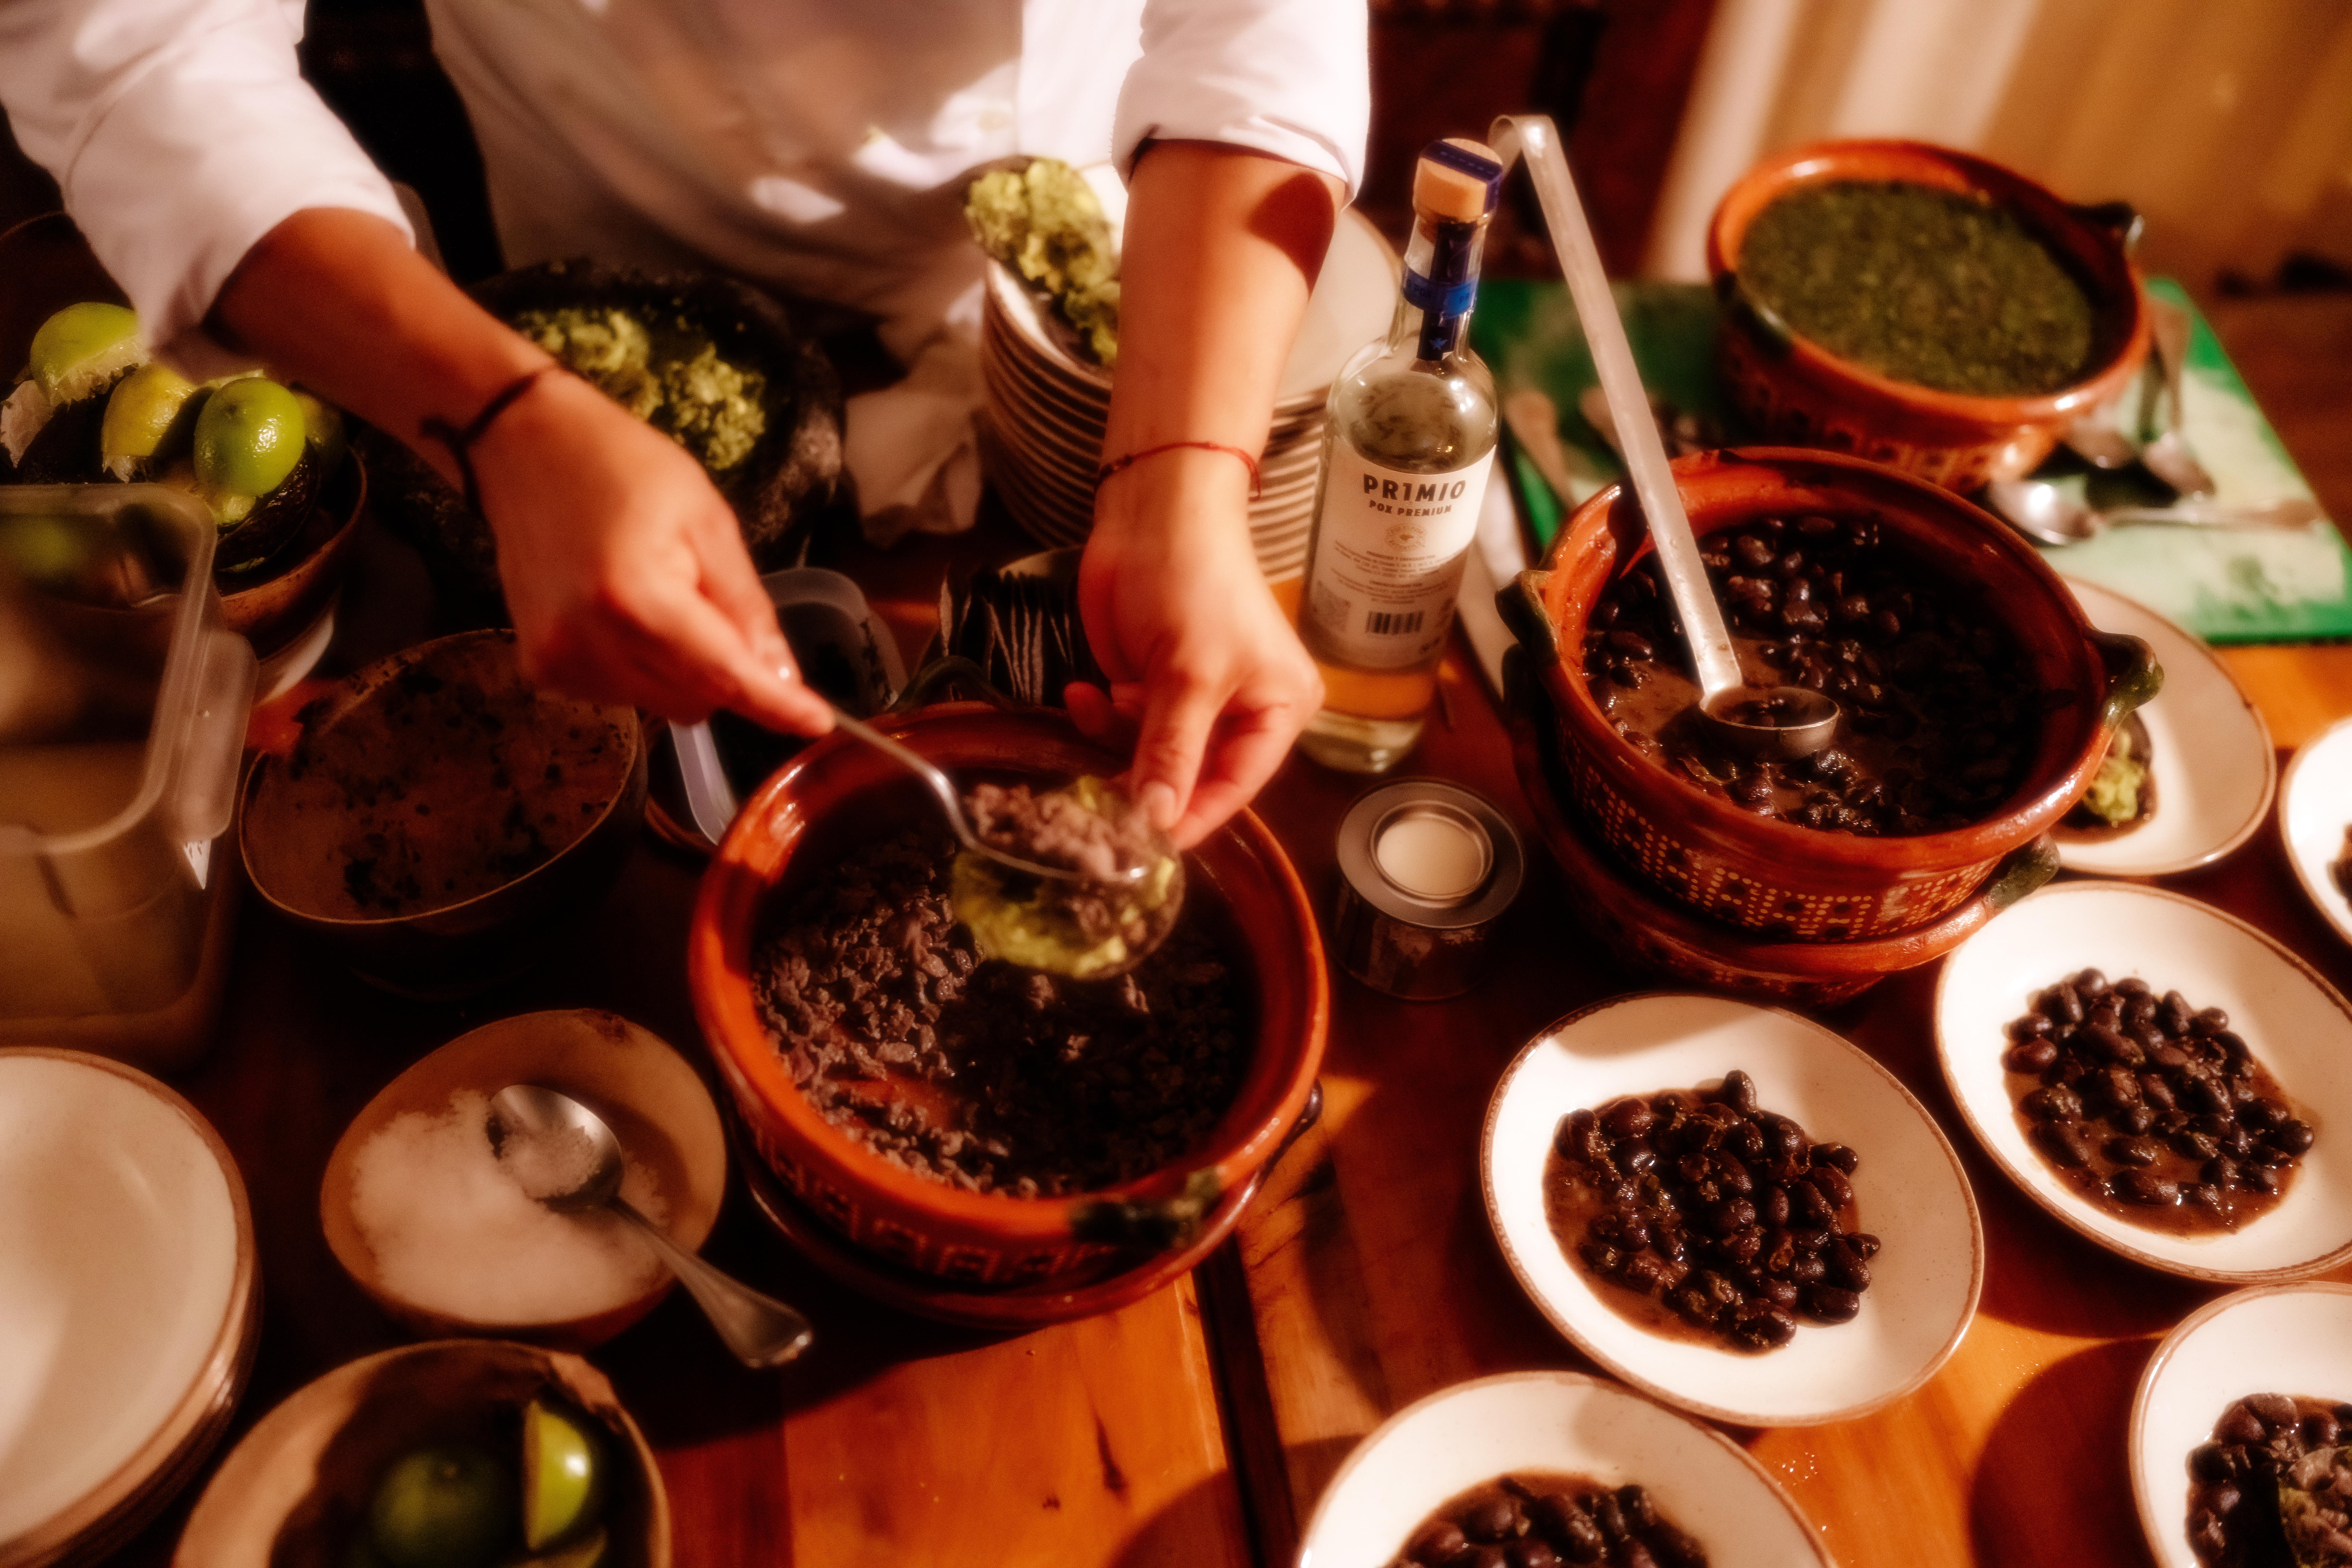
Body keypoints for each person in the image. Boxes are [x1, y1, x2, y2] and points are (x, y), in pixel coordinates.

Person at [0, 0, 1367, 846]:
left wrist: (1180, 481)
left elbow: (1261, 30)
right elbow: (136, 43)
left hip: (1034, 249)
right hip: (584, 195)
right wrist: (503, 422)